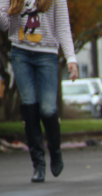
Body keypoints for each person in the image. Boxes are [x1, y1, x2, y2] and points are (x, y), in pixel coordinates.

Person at [0, 0, 78, 183]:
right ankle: (38, 164)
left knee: (48, 108)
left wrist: (71, 58)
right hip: (20, 53)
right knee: (29, 107)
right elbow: (4, 26)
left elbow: (63, 28)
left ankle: (55, 150)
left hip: (47, 54)